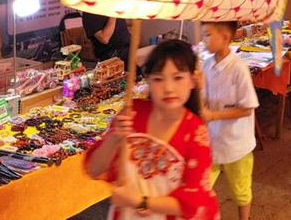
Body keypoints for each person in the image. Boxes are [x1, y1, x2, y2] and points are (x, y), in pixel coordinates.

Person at [85, 40, 220, 220]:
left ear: (193, 80)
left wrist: (139, 201)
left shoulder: (196, 132)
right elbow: (94, 169)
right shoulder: (131, 114)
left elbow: (193, 202)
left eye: (178, 77)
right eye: (158, 79)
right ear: (147, 80)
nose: (168, 88)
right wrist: (114, 138)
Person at [201, 22, 259, 220]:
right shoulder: (206, 65)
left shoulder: (238, 68)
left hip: (236, 144)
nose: (204, 40)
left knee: (241, 191)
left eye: (208, 35)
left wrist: (214, 115)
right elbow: (202, 103)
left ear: (225, 37)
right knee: (200, 186)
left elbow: (247, 107)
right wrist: (197, 85)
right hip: (211, 141)